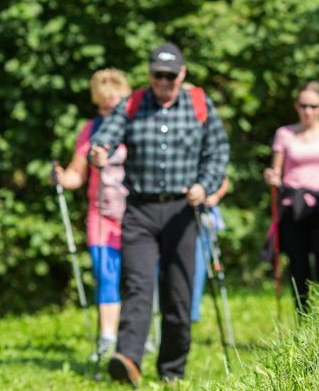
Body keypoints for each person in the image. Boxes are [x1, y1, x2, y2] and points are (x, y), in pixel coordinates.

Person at [90, 41, 230, 387]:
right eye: (158, 75)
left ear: (181, 74)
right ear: (149, 74)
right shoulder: (134, 103)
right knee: (138, 286)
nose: (164, 82)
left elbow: (218, 151)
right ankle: (128, 361)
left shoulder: (199, 104)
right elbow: (107, 134)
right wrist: (99, 150)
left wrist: (205, 185)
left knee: (178, 294)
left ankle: (171, 370)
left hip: (183, 210)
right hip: (140, 209)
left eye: (170, 76)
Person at [54, 69, 132, 361]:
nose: (108, 111)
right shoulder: (91, 129)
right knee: (104, 271)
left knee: (141, 275)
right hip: (101, 213)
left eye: (114, 104)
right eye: (103, 105)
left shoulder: (137, 125)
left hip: (135, 213)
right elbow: (77, 173)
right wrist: (63, 179)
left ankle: (139, 333)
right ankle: (107, 336)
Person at [263, 81, 319, 314]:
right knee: (298, 267)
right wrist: (272, 178)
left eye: (313, 106)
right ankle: (303, 318)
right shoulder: (285, 133)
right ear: (296, 106)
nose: (308, 111)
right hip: (293, 207)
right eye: (303, 106)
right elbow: (276, 172)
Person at [190, 177, 229, 324]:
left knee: (200, 265)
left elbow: (224, 178)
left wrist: (216, 196)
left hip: (203, 215)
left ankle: (192, 312)